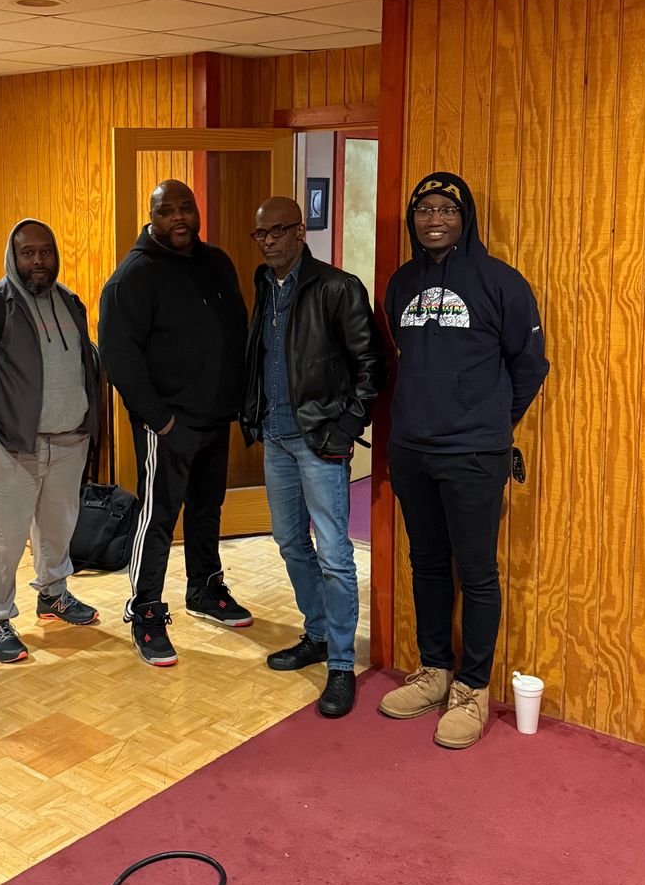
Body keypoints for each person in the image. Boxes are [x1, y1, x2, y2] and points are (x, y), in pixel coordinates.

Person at [380, 172, 549, 749]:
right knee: (426, 562)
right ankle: (434, 670)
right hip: (412, 449)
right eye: (424, 209)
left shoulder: (501, 282)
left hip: (474, 452)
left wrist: (492, 420)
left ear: (465, 217)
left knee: (476, 573)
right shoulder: (401, 284)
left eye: (446, 210)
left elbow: (530, 364)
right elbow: (403, 353)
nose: (435, 219)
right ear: (414, 219)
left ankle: (472, 688)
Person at [240, 197, 387, 719]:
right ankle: (318, 633)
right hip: (276, 436)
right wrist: (252, 413)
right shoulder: (264, 283)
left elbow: (371, 364)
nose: (270, 241)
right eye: (262, 234)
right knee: (288, 541)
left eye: (279, 231)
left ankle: (342, 664)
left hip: (319, 439)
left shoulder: (337, 287)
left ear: (301, 231)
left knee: (334, 553)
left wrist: (346, 428)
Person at [99, 179, 250, 667]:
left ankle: (204, 589)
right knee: (158, 518)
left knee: (208, 508)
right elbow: (120, 359)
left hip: (215, 417)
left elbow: (236, 329)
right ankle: (145, 610)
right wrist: (160, 420)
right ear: (153, 217)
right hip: (166, 425)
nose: (180, 218)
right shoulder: (132, 278)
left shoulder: (217, 262)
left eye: (187, 208)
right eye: (168, 211)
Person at [0, 218, 100, 664]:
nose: (39, 260)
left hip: (69, 441)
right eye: (28, 253)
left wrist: (86, 426)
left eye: (46, 251)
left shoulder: (70, 303)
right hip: (10, 448)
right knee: (0, 541)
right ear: (13, 256)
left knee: (58, 529)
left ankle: (53, 594)